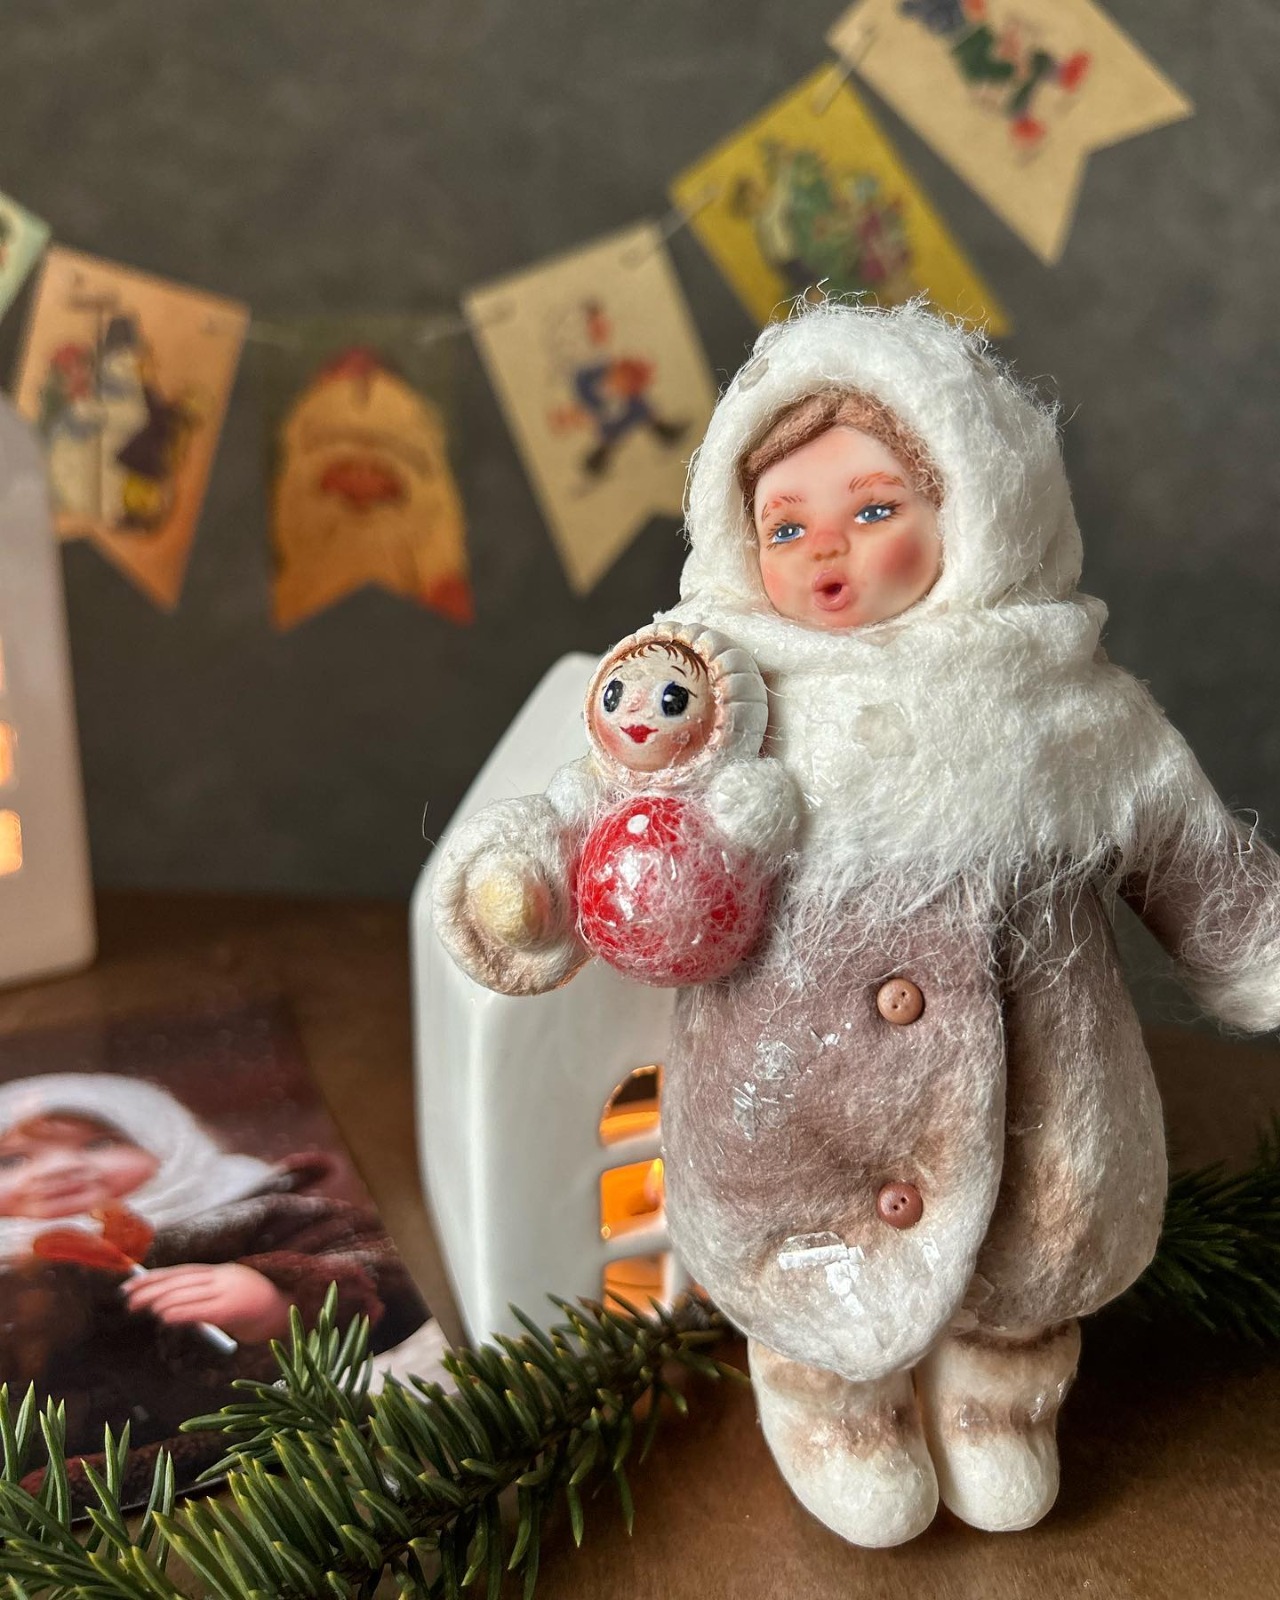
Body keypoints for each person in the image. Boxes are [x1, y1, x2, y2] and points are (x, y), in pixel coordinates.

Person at [431, 300, 1280, 1545]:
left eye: (873, 509)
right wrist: (527, 879)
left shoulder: (1063, 704)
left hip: (1040, 1100)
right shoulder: (722, 686)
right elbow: (599, 791)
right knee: (797, 1263)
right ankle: (828, 1401)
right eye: (784, 524)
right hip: (787, 1118)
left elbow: (1183, 842)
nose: (822, 549)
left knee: (1034, 1247)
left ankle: (1000, 1393)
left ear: (979, 507)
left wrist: (1253, 945)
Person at [0, 1072, 424, 1501]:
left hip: (288, 1456)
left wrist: (280, 1294)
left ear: (169, 1141)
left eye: (100, 1144)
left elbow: (387, 1269)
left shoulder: (256, 1213)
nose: (59, 1168)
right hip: (86, 1500)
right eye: (12, 1161)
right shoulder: (10, 1281)